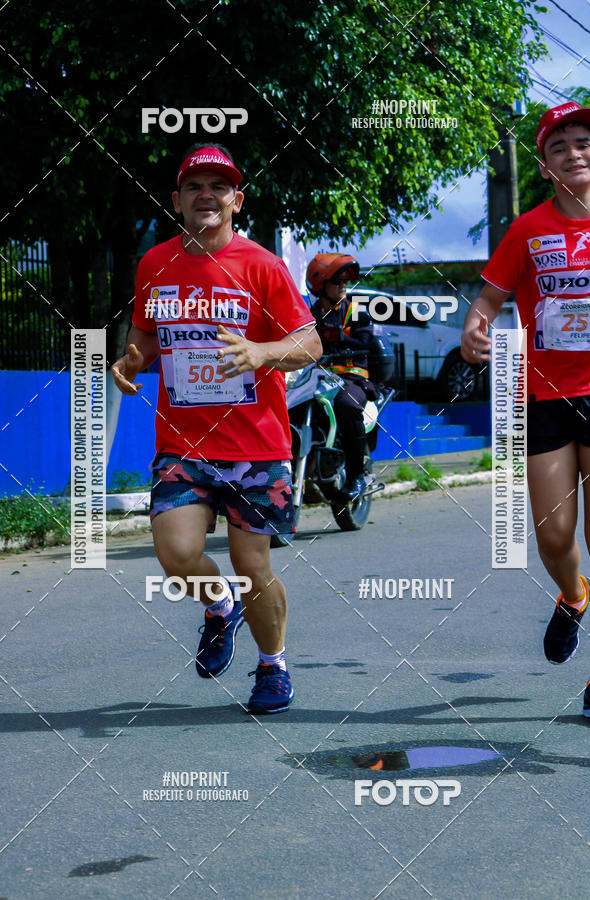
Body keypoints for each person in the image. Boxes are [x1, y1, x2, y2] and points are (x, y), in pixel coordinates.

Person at [111, 143, 322, 714]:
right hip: (183, 442)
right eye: (195, 186)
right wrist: (131, 362)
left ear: (237, 199)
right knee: (177, 554)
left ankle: (274, 665)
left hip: (256, 444)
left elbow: (311, 343)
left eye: (219, 186)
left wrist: (262, 351)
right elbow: (146, 338)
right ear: (177, 200)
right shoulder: (155, 264)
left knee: (254, 564)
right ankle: (220, 605)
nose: (207, 195)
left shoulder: (263, 266)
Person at [460, 102, 590, 723]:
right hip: (542, 397)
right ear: (544, 165)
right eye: (561, 145)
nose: (576, 152)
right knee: (553, 535)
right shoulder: (527, 231)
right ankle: (574, 596)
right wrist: (475, 328)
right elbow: (488, 299)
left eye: (585, 142)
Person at [307, 253, 375, 499]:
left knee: (347, 404)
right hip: (315, 380)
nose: (344, 285)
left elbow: (366, 343)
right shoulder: (307, 316)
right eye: (338, 281)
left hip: (351, 379)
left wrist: (339, 337)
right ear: (321, 286)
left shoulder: (356, 312)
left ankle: (358, 476)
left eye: (346, 281)